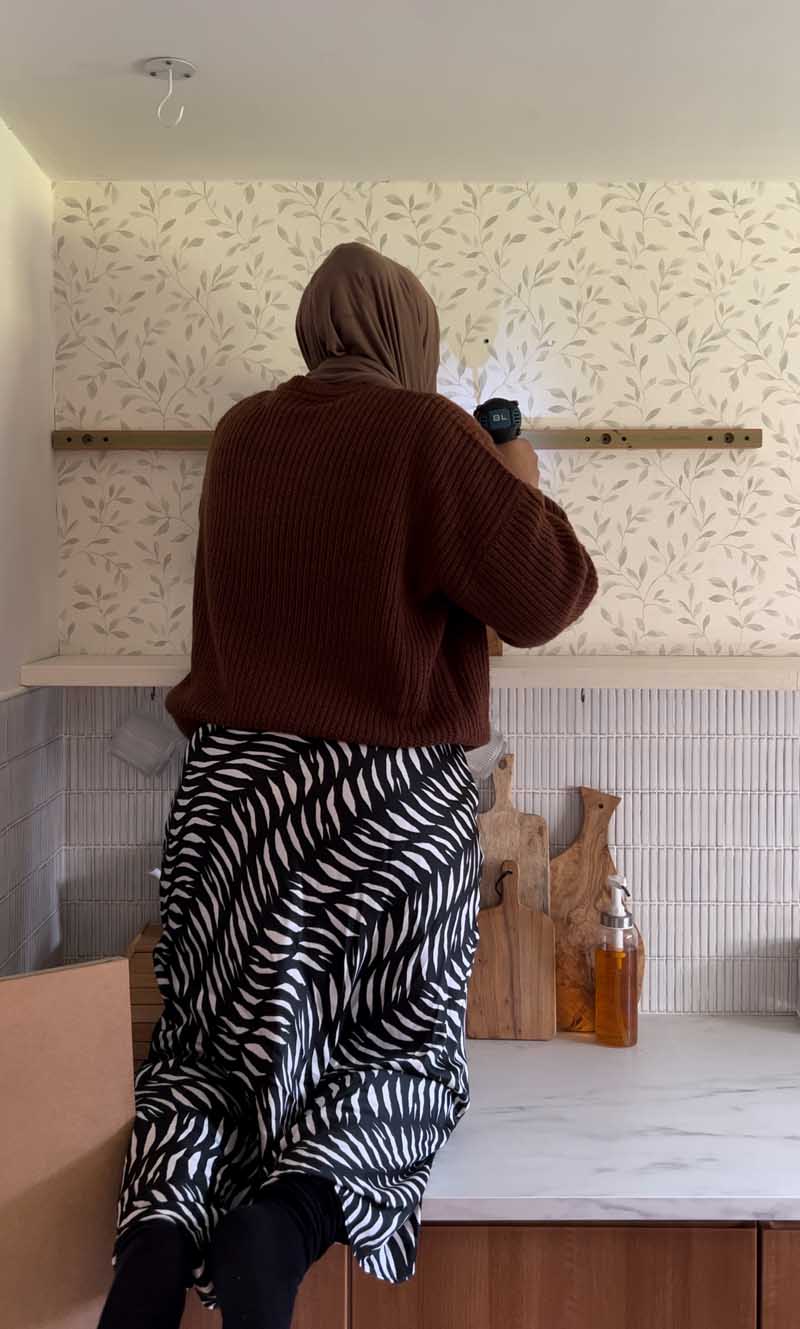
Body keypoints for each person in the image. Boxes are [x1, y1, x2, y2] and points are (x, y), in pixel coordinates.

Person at [98, 242, 597, 1329]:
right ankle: (279, 1231)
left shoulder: (241, 432)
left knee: (208, 1052)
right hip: (378, 808)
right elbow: (545, 597)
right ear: (409, 340)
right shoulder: (426, 433)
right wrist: (516, 477)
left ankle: (152, 1258)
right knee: (399, 1054)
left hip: (230, 802)